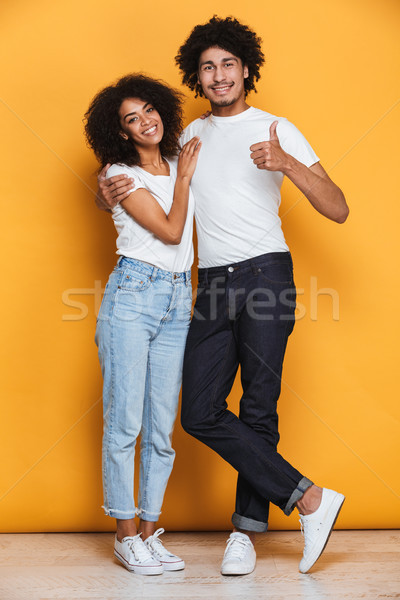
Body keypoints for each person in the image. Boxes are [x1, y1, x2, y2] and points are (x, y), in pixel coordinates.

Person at [95, 16, 349, 576]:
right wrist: (103, 192)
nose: (218, 75)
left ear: (246, 69)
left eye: (228, 64)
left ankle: (245, 533)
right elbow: (145, 187)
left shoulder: (278, 128)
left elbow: (337, 207)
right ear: (196, 77)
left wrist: (286, 164)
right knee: (200, 412)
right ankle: (310, 498)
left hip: (265, 275)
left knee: (259, 404)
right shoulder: (186, 136)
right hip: (207, 283)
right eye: (207, 67)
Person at [84, 74, 201, 575]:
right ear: (122, 132)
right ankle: (124, 535)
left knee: (160, 426)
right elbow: (173, 232)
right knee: (124, 422)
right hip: (134, 295)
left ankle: (151, 534)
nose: (145, 121)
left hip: (178, 297)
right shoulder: (121, 173)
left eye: (149, 110)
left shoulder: (177, 160)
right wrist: (185, 180)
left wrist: (183, 172)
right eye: (131, 118)